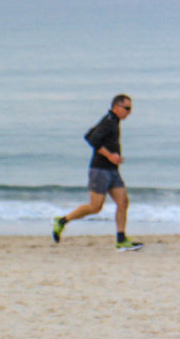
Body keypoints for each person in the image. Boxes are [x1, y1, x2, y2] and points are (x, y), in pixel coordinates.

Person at [52, 94, 144, 251]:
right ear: (116, 107)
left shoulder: (112, 121)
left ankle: (121, 240)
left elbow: (89, 134)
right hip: (100, 170)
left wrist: (114, 157)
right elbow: (92, 140)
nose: (129, 112)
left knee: (123, 202)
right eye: (127, 108)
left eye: (130, 109)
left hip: (112, 170)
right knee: (95, 207)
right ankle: (62, 221)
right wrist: (110, 155)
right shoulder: (109, 122)